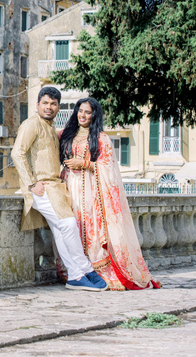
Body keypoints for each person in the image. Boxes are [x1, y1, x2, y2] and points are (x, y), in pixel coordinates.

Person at [59, 97, 161, 290]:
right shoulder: (66, 134)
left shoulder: (101, 138)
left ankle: (97, 273)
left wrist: (86, 164)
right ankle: (76, 272)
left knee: (91, 229)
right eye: (80, 111)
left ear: (94, 115)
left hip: (92, 190)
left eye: (87, 112)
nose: (82, 115)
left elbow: (109, 167)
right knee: (72, 226)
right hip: (69, 188)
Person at [12, 86, 107, 291]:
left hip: (56, 187)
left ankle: (74, 276)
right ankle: (86, 269)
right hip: (42, 187)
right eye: (45, 103)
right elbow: (17, 153)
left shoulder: (51, 128)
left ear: (58, 107)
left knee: (60, 230)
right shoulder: (31, 124)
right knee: (68, 224)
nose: (49, 107)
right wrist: (31, 183)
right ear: (37, 105)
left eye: (53, 104)